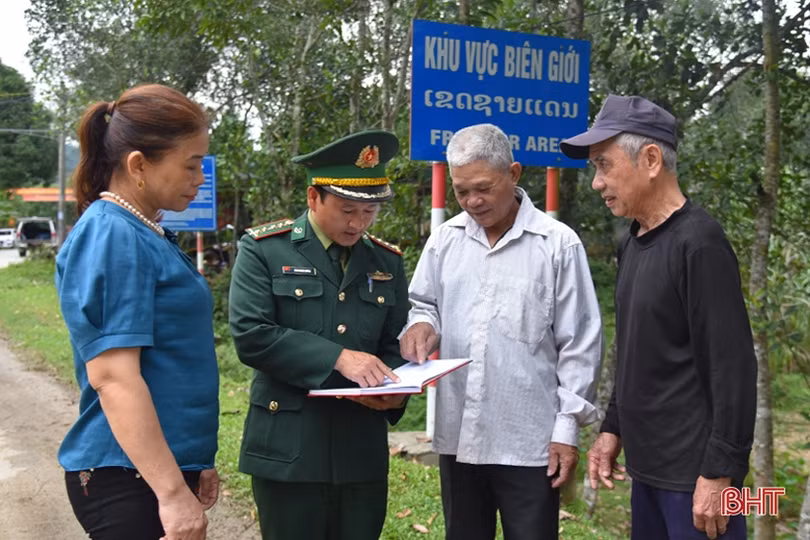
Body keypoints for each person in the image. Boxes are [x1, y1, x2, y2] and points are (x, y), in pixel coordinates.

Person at [560, 94, 757, 540]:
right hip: (648, 471)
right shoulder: (633, 242)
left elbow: (734, 366)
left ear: (650, 159)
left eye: (604, 165)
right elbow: (638, 352)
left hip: (700, 481)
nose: (596, 183)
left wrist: (720, 472)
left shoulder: (700, 244)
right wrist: (612, 429)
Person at [399, 123, 603, 540]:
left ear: (514, 173)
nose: (472, 201)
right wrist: (421, 325)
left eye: (483, 188)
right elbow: (424, 304)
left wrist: (567, 430)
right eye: (461, 191)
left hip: (529, 440)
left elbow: (580, 344)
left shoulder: (558, 245)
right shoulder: (444, 241)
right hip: (459, 434)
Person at [55, 84, 220, 540]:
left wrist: (193, 461)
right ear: (138, 165)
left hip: (153, 466)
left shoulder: (143, 231)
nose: (200, 178)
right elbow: (113, 377)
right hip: (126, 475)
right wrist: (170, 492)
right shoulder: (112, 235)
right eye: (190, 164)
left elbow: (171, 360)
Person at [229, 130, 410, 540]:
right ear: (314, 198)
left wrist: (398, 388)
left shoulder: (386, 261)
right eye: (347, 210)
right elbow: (251, 334)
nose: (358, 223)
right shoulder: (265, 250)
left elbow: (391, 346)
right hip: (288, 448)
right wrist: (338, 357)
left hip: (360, 453)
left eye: (369, 213)